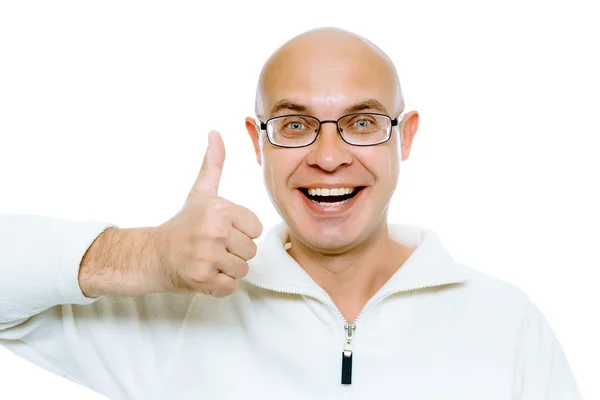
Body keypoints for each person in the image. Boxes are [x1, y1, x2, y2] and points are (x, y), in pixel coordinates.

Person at [0, 27, 582, 400]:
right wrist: (146, 256)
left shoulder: (507, 327)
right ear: (258, 143)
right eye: (296, 125)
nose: (329, 158)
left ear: (404, 137)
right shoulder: (177, 318)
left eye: (361, 122)